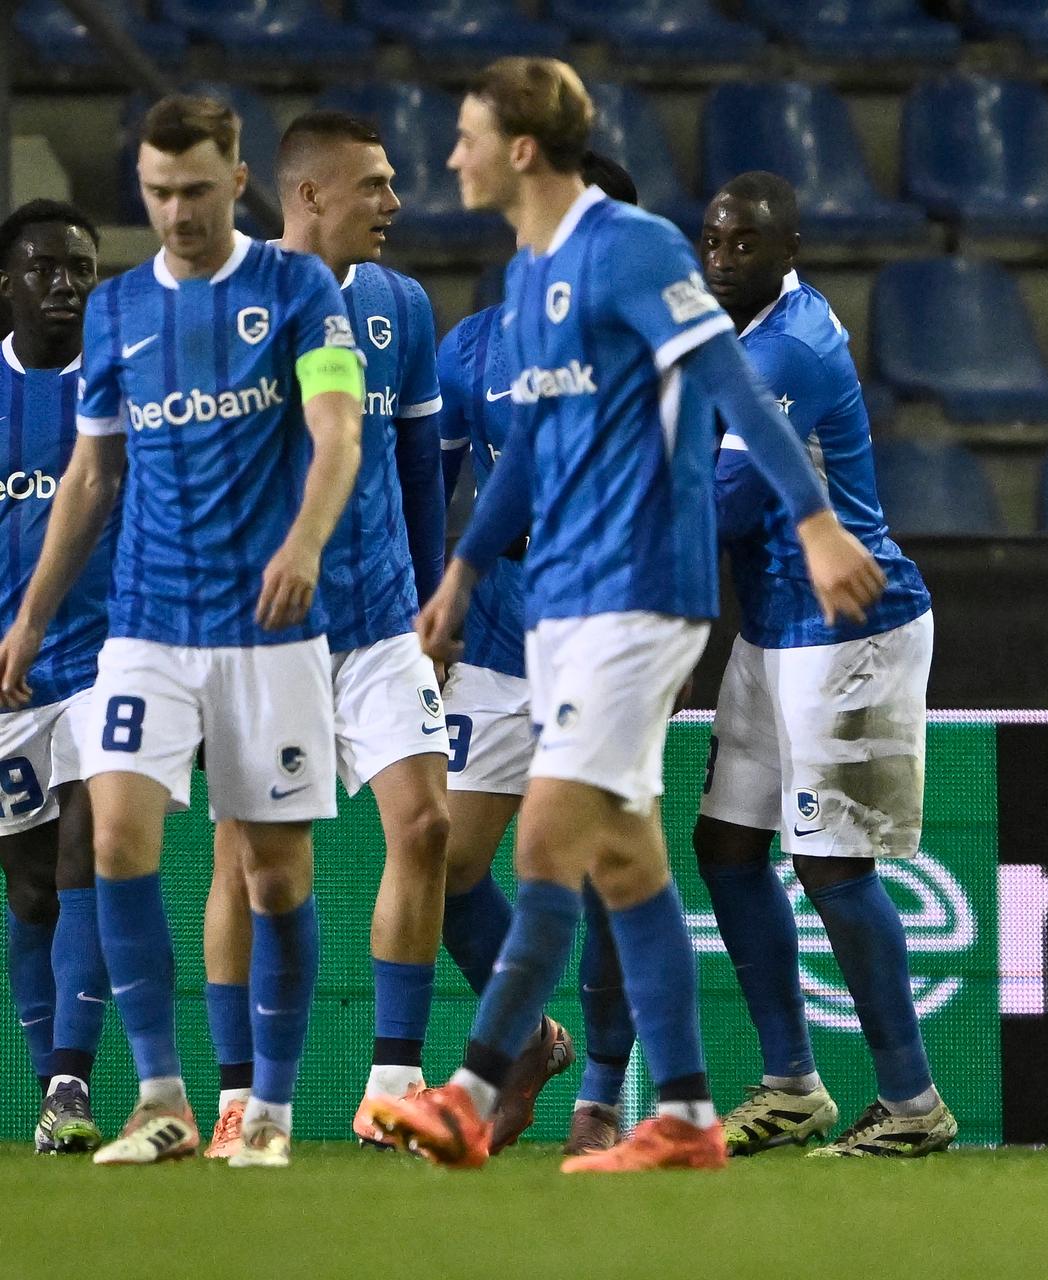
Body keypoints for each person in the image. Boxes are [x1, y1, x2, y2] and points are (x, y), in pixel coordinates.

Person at [366, 57, 882, 1173]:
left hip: (644, 590)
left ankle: (470, 1088)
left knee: (547, 835)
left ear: (517, 148)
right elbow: (536, 450)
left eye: (462, 134)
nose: (446, 155)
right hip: (561, 601)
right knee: (627, 864)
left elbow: (736, 388)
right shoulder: (532, 275)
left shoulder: (636, 246)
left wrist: (814, 520)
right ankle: (689, 1112)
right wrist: (458, 571)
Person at [0, 94, 365, 1169]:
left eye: (196, 191)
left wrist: (304, 541)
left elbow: (336, 427)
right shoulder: (116, 314)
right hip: (147, 628)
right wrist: (27, 617)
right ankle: (158, 1095)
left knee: (275, 874)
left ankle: (270, 1110)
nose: (177, 213)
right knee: (111, 838)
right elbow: (90, 474)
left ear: (237, 179)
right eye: (158, 193)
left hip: (265, 631)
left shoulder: (295, 290)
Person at [196, 109, 454, 1158]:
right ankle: (241, 1094)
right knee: (252, 867)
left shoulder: (402, 305)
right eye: (377, 186)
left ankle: (393, 1080)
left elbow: (422, 466)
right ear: (308, 195)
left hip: (385, 618)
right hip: (269, 634)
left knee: (427, 824)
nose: (395, 205)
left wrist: (436, 601)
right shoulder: (226, 309)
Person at [696, 170, 953, 1159]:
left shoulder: (788, 346)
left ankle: (913, 1099)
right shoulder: (742, 337)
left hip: (851, 623)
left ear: (789, 243)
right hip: (772, 626)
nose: (724, 258)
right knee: (726, 847)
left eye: (745, 243)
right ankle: (790, 1082)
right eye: (713, 240)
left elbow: (725, 504)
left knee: (829, 857)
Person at [433, 150, 644, 1159]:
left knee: (608, 867)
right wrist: (446, 591)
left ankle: (604, 1091)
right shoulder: (471, 352)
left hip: (609, 641)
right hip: (503, 648)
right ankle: (530, 1043)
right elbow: (441, 490)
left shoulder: (655, 350)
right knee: (447, 859)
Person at [0, 199, 114, 1154]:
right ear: (8, 283)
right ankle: (52, 1096)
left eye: (79, 268)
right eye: (44, 268)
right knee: (33, 893)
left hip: (107, 663)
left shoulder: (119, 388)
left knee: (91, 858)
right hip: (9, 682)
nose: (64, 284)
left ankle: (75, 1080)